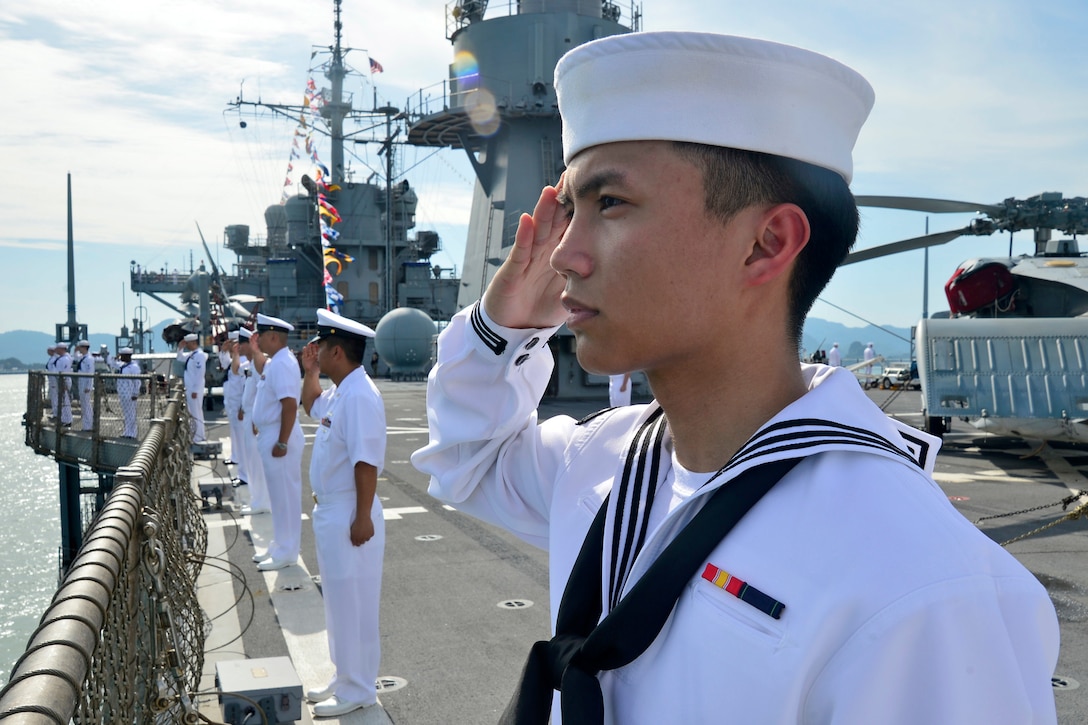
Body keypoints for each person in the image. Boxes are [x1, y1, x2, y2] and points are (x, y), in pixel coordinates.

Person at [411, 31, 1059, 724]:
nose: (564, 254)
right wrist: (497, 328)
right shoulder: (604, 461)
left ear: (766, 244)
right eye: (570, 210)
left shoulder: (921, 585)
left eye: (609, 204)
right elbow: (468, 462)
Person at [300, 309, 386, 718]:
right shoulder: (341, 391)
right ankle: (344, 676)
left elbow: (365, 461)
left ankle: (359, 687)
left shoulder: (361, 395)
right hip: (332, 510)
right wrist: (308, 370)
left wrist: (363, 516)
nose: (315, 351)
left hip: (352, 509)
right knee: (337, 600)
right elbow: (310, 405)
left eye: (320, 348)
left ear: (337, 350)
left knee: (355, 602)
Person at [250, 313, 303, 571]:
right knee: (278, 496)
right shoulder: (275, 362)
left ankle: (286, 551)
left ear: (273, 336)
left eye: (260, 335)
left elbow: (290, 405)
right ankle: (281, 544)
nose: (257, 339)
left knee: (285, 497)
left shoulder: (282, 363)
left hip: (280, 435)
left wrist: (282, 442)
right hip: (273, 433)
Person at [236, 328, 271, 515]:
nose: (238, 348)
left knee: (256, 462)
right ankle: (256, 499)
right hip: (248, 415)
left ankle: (261, 502)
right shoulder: (250, 365)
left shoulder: (258, 365)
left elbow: (260, 393)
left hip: (254, 418)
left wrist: (255, 419)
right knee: (251, 461)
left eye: (240, 344)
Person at [221, 332, 248, 480]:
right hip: (232, 402)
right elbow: (225, 364)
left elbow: (241, 379)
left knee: (242, 438)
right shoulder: (234, 358)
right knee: (234, 433)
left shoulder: (243, 360)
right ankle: (235, 456)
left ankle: (243, 473)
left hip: (239, 403)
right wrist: (224, 351)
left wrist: (242, 407)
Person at [177, 333, 208, 442]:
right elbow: (180, 358)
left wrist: (195, 390)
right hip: (191, 388)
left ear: (194, 343)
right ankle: (197, 435)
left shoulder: (199, 355)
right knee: (193, 412)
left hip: (195, 389)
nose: (187, 345)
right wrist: (180, 348)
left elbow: (200, 374)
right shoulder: (192, 355)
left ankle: (198, 437)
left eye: (188, 343)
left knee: (196, 413)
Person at [115, 347, 141, 438]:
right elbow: (112, 363)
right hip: (123, 393)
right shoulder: (122, 365)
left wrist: (135, 393)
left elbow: (137, 381)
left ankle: (132, 433)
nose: (120, 357)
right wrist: (115, 357)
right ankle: (127, 432)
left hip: (130, 393)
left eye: (122, 355)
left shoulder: (134, 367)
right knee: (126, 414)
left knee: (131, 413)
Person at [74, 340, 95, 431]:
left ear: (84, 347)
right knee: (84, 404)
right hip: (81, 381)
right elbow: (76, 357)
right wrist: (75, 351)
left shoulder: (89, 359)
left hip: (86, 382)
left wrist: (89, 386)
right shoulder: (83, 357)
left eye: (80, 347)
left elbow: (90, 373)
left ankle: (88, 425)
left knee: (86, 405)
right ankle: (86, 425)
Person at [53, 342, 73, 426]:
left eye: (58, 348)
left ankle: (68, 420)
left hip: (64, 381)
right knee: (62, 401)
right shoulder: (62, 358)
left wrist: (64, 383)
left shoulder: (65, 359)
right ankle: (64, 419)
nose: (56, 350)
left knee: (65, 401)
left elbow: (64, 371)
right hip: (60, 381)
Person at [45, 346, 58, 418]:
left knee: (55, 396)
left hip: (54, 379)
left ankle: (56, 413)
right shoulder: (52, 358)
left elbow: (54, 370)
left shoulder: (55, 359)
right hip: (51, 379)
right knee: (53, 396)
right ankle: (54, 411)